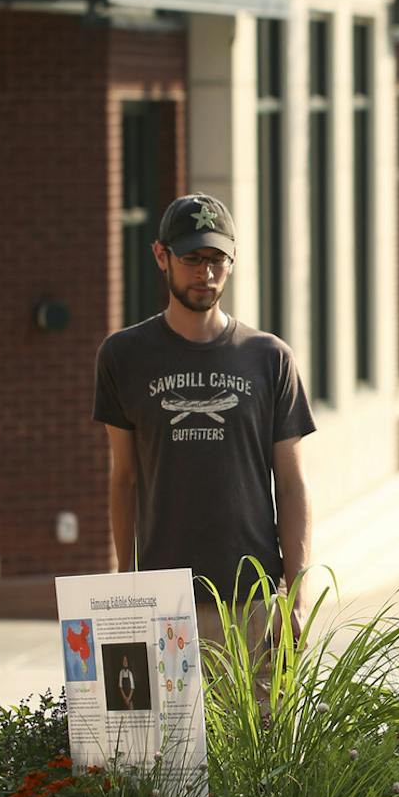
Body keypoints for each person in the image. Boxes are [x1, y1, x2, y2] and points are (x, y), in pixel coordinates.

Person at [94, 194, 316, 637]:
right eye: (192, 258)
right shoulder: (123, 356)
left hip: (253, 599)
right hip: (163, 601)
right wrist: (127, 583)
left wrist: (297, 596)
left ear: (232, 261)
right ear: (162, 256)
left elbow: (291, 485)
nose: (206, 273)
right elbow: (124, 479)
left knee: (266, 711)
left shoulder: (269, 358)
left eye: (217, 259)